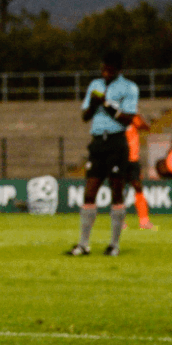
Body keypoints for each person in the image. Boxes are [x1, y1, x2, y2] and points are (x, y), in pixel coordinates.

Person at [66, 50, 138, 257]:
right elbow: (85, 116)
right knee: (89, 193)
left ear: (118, 70)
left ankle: (114, 245)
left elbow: (128, 119)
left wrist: (106, 105)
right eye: (103, 69)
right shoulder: (95, 85)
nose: (105, 73)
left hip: (116, 141)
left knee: (117, 192)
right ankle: (83, 244)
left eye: (110, 70)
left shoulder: (129, 87)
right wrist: (94, 104)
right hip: (97, 142)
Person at [125, 112, 157, 230]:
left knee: (138, 187)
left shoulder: (133, 117)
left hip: (133, 159)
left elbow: (146, 127)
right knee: (119, 188)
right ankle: (120, 221)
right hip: (120, 158)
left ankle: (144, 221)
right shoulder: (116, 117)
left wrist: (138, 115)